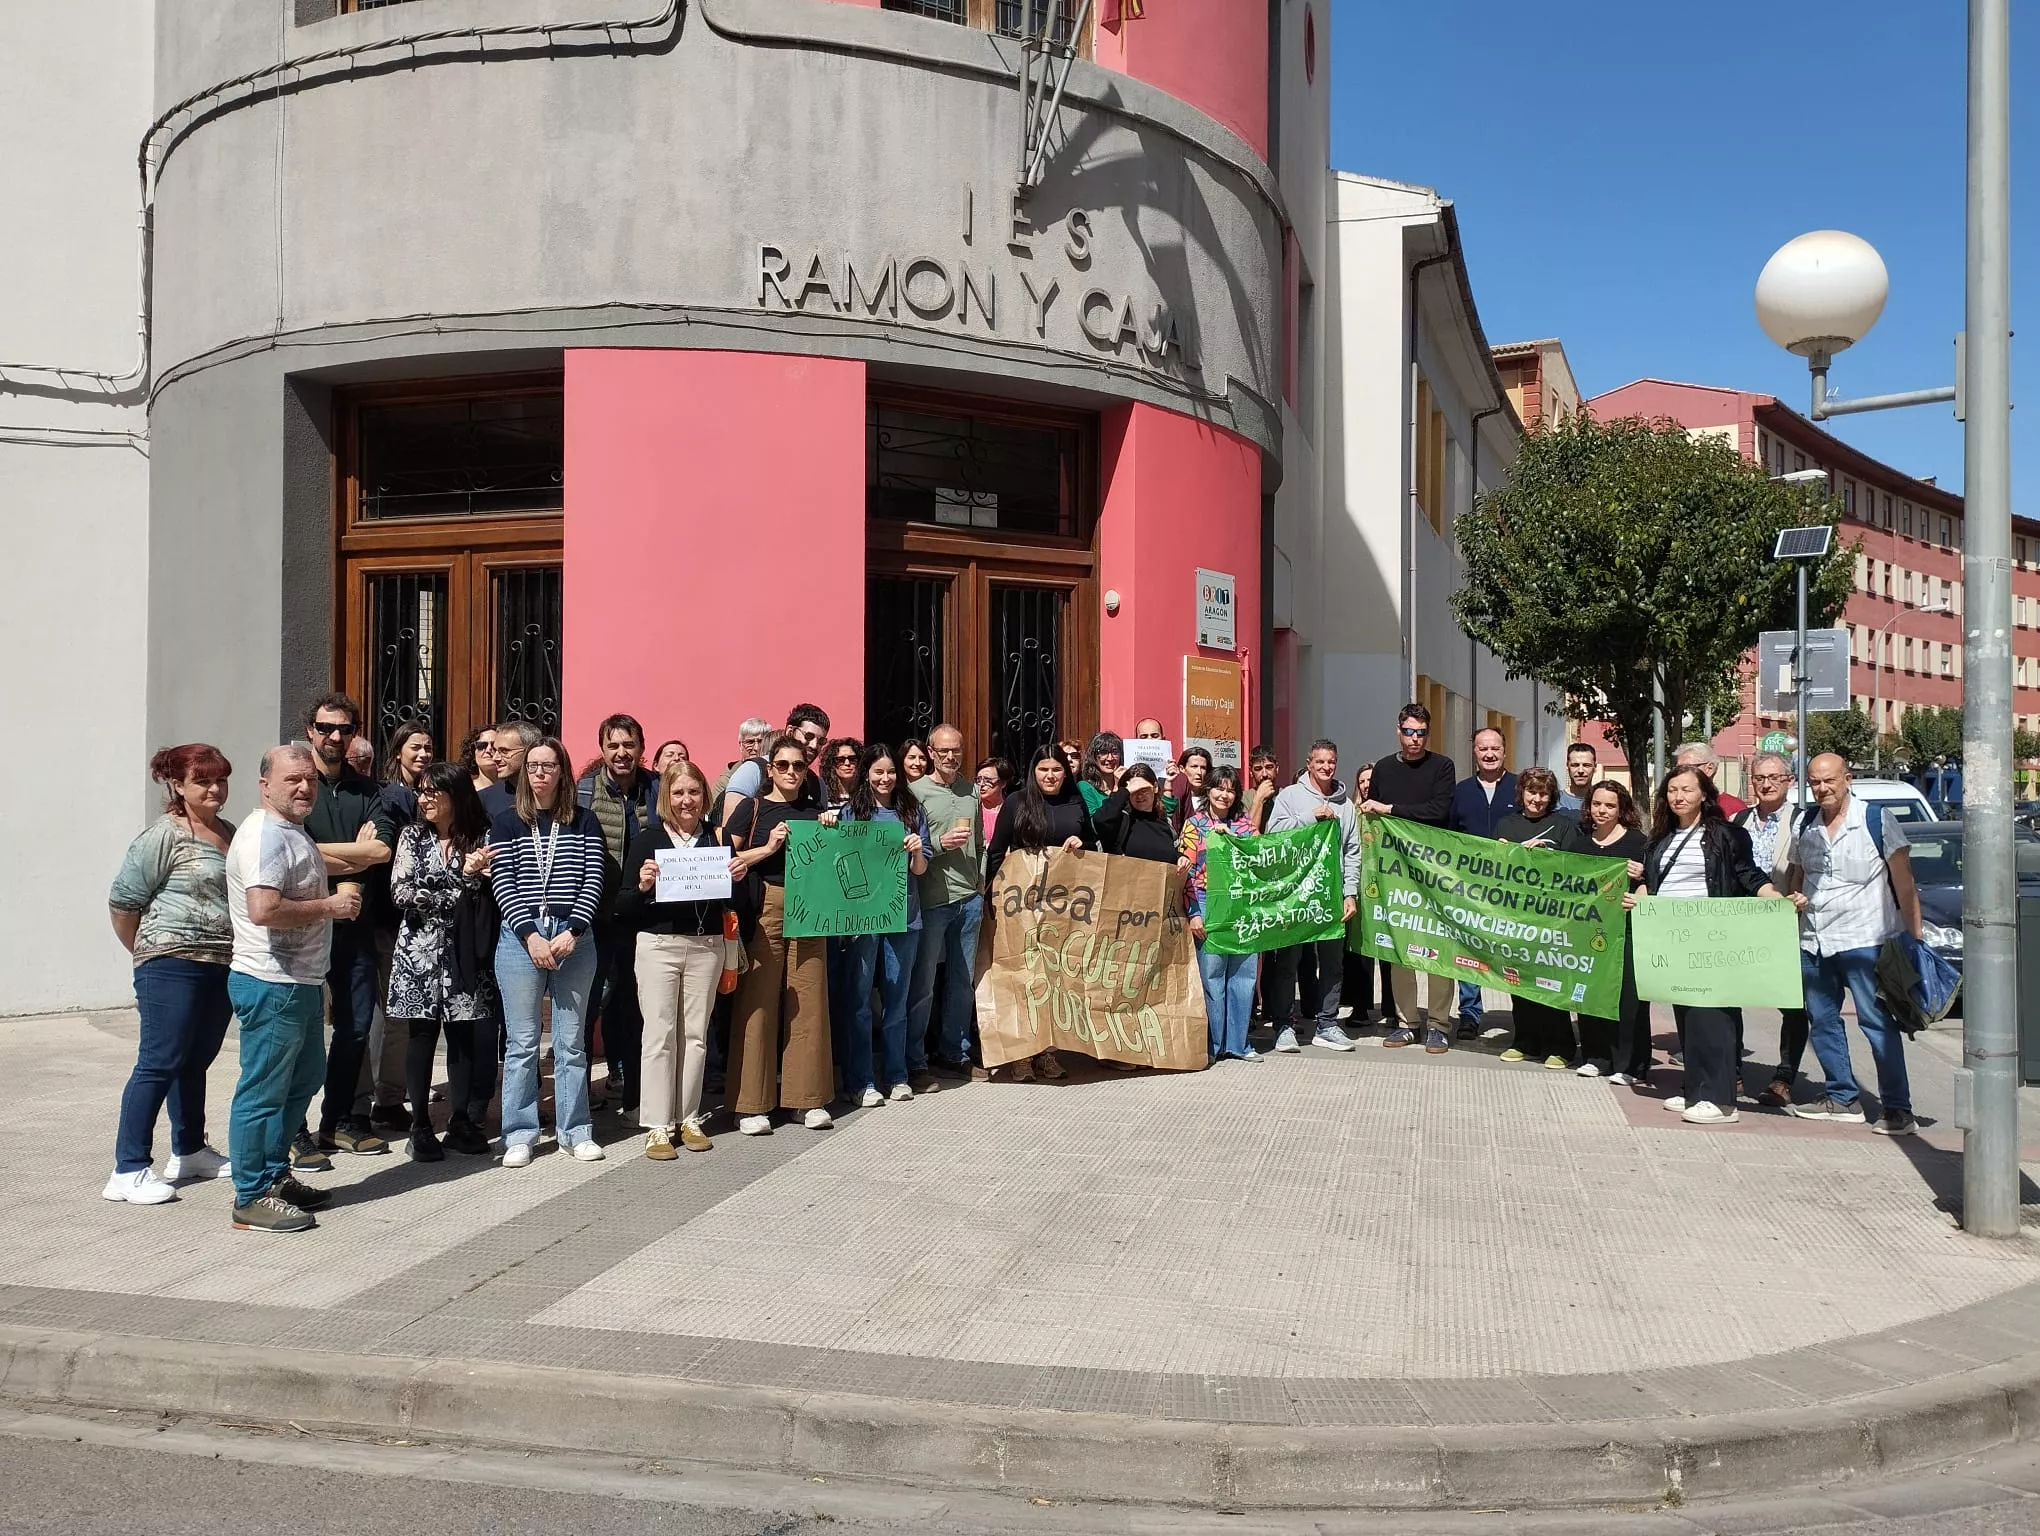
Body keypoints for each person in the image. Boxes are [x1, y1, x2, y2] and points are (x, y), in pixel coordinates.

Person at [224, 745, 356, 1233]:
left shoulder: (290, 830)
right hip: (270, 981)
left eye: (310, 780)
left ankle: (275, 1176)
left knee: (303, 1080)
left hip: (299, 981)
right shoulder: (264, 837)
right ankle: (251, 1195)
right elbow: (263, 910)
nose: (304, 788)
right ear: (265, 785)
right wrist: (330, 907)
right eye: (292, 780)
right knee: (263, 1091)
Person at [103, 745, 238, 1205]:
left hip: (219, 962)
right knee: (159, 1061)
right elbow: (124, 903)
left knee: (195, 1060)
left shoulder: (229, 832)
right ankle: (128, 1168)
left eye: (220, 779)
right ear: (177, 785)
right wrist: (151, 954)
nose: (215, 788)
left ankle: (190, 1150)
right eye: (203, 781)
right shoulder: (163, 836)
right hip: (170, 963)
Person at [1627, 764, 1783, 1126]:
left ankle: (1721, 1100)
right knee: (1687, 1016)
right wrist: (1640, 896)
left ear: (1703, 795)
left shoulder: (1726, 835)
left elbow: (1747, 874)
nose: (1678, 797)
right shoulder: (1661, 838)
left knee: (1713, 1016)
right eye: (1672, 790)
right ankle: (1696, 1089)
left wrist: (1775, 898)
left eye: (1686, 790)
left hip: (1713, 937)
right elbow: (1654, 881)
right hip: (1673, 937)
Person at [1784, 754, 1924, 1135]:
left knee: (1876, 1022)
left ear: (1847, 779)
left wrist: (1916, 940)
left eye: (1829, 780)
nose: (1822, 788)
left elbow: (1905, 884)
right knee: (1822, 1021)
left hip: (1866, 939)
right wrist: (1794, 899)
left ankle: (1898, 1109)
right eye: (1815, 782)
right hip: (1814, 940)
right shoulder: (1804, 824)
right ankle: (1842, 1097)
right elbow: (1797, 875)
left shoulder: (1876, 820)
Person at [490, 736, 608, 1166]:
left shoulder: (584, 820)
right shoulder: (507, 822)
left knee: (571, 1042)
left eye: (549, 766)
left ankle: (575, 1130)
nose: (540, 773)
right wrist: (530, 935)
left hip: (573, 937)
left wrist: (574, 929)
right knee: (522, 1043)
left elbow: (594, 878)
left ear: (562, 772)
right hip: (521, 938)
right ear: (525, 773)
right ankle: (519, 1134)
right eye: (533, 766)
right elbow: (503, 881)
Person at [299, 693, 398, 1167]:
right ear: (310, 731)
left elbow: (381, 851)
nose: (334, 737)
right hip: (302, 926)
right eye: (325, 728)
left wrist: (322, 853)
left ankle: (336, 1122)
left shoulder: (368, 790)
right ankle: (292, 1131)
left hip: (355, 927)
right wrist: (352, 857)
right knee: (300, 1033)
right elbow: (293, 850)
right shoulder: (299, 785)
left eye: (344, 729)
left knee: (355, 1027)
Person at [386, 763, 498, 1161]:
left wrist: (469, 882)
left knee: (463, 1035)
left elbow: (489, 891)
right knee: (421, 1035)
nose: (424, 799)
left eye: (433, 792)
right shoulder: (412, 837)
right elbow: (400, 892)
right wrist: (460, 890)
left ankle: (460, 1120)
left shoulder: (481, 837)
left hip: (465, 951)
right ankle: (420, 1124)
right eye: (421, 791)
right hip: (419, 951)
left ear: (456, 794)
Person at [620, 759, 730, 1158]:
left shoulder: (716, 840)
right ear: (666, 797)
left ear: (704, 796)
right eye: (678, 792)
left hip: (706, 946)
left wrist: (735, 877)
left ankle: (689, 1118)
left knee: (696, 1036)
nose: (687, 800)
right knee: (659, 1035)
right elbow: (623, 905)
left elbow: (733, 901)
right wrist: (642, 885)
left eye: (694, 792)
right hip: (658, 946)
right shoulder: (648, 839)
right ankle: (657, 1126)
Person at [726, 733, 835, 1133]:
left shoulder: (815, 810)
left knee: (809, 998)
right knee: (758, 999)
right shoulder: (752, 808)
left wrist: (830, 829)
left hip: (811, 905)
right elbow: (723, 860)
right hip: (766, 904)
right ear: (770, 769)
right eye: (783, 765)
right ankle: (750, 1104)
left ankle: (807, 1099)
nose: (791, 772)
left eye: (799, 765)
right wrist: (768, 848)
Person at [984, 743, 1098, 1081]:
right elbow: (996, 851)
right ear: (1033, 772)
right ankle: (1020, 1055)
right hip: (1021, 904)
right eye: (1044, 769)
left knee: (1056, 978)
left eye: (1057, 769)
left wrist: (1081, 843)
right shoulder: (1017, 802)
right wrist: (992, 895)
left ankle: (1047, 1053)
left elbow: (1094, 845)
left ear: (1067, 772)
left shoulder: (1075, 801)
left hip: (1065, 907)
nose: (1050, 776)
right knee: (1022, 975)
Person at [833, 744, 930, 1106]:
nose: (885, 778)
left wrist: (916, 850)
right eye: (878, 772)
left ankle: (896, 1075)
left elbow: (920, 870)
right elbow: (837, 858)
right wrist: (828, 824)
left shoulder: (911, 811)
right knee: (858, 1000)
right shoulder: (851, 812)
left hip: (904, 917)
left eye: (890, 772)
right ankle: (860, 1081)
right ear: (867, 775)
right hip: (863, 919)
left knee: (896, 999)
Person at [575, 714, 660, 1113]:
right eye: (613, 745)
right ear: (603, 750)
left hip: (644, 915)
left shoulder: (658, 789)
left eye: (629, 745)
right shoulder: (584, 792)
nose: (622, 752)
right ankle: (578, 1094)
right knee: (587, 1004)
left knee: (635, 1006)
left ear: (641, 748)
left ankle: (632, 1091)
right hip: (596, 916)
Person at [1360, 703, 1457, 1051]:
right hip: (1395, 871)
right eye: (1409, 732)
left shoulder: (1443, 766)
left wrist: (1390, 809)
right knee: (1400, 947)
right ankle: (1406, 1022)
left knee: (1439, 947)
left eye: (1421, 733)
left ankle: (1439, 1024)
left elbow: (1438, 811)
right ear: (1398, 731)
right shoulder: (1384, 769)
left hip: (1435, 872)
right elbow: (1373, 819)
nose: (1415, 739)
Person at [1264, 739, 1363, 1053]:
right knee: (1288, 962)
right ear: (1309, 764)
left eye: (1331, 762)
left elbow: (1352, 852)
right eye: (1320, 762)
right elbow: (1273, 834)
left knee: (1333, 963)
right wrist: (1311, 817)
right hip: (1296, 893)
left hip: (1331, 894)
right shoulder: (1290, 796)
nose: (1326, 767)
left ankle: (1327, 1024)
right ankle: (1283, 1025)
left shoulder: (1346, 805)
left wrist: (1350, 892)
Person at [903, 724, 984, 1090]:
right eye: (944, 751)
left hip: (969, 898)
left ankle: (955, 1053)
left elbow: (980, 842)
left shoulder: (972, 792)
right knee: (923, 983)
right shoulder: (914, 792)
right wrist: (939, 841)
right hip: (932, 899)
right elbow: (908, 844)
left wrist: (981, 882)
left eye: (957, 750)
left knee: (962, 982)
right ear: (931, 752)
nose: (951, 757)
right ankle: (915, 1060)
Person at [1493, 768, 1587, 1069]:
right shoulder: (1506, 824)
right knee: (1518, 981)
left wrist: (1547, 853)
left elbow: (1576, 868)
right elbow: (1493, 870)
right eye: (1532, 792)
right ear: (1521, 793)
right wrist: (1506, 854)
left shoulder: (1563, 825)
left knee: (1551, 983)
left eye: (1543, 793)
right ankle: (1525, 1042)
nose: (1537, 799)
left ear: (1552, 796)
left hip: (1551, 920)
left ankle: (1561, 1046)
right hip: (1516, 917)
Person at [1734, 753, 1809, 1109]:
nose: (1766, 784)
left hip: (1786, 924)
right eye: (1759, 778)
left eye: (1774, 778)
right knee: (1728, 996)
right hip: (1741, 923)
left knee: (1791, 1004)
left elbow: (1808, 868)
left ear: (1789, 781)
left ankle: (1784, 1078)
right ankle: (1732, 1069)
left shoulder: (1802, 820)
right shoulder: (1738, 820)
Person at [1181, 766, 1259, 1064]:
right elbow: (1186, 873)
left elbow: (1259, 863)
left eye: (1230, 790)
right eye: (1219, 788)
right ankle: (1212, 1045)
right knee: (1212, 975)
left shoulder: (1246, 826)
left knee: (1243, 974)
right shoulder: (1194, 825)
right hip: (1206, 900)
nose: (1224, 795)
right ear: (1208, 790)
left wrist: (1232, 839)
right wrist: (1193, 913)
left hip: (1241, 904)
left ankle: (1239, 1044)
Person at [1576, 780, 1651, 1083]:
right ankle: (1596, 1057)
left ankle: (1630, 1065)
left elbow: (1655, 881)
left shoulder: (1639, 843)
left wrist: (1643, 876)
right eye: (1597, 804)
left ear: (1621, 809)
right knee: (1591, 992)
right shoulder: (1580, 843)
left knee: (1629, 999)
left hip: (1628, 931)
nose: (1602, 810)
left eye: (1610, 805)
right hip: (1589, 933)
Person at [1447, 728, 1517, 1041]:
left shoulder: (1520, 788)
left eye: (1495, 748)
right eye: (1483, 748)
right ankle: (1470, 1014)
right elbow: (1448, 836)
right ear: (1474, 752)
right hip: (1470, 887)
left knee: (1513, 951)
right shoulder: (1461, 791)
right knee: (1469, 950)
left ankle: (1524, 1015)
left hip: (1512, 888)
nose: (1489, 754)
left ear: (1504, 751)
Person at [716, 704, 830, 826]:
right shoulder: (753, 770)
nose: (814, 745)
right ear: (790, 732)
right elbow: (729, 831)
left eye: (821, 741)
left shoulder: (818, 784)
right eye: (808, 736)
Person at [1092, 761, 1181, 864]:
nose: (1139, 796)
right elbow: (1100, 819)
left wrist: (1180, 857)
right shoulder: (1122, 822)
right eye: (1134, 791)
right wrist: (1124, 791)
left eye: (1143, 790)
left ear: (1155, 787)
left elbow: (1168, 854)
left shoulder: (1165, 823)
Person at [480, 720, 540, 820]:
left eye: (504, 751)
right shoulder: (484, 800)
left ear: (529, 751)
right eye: (495, 750)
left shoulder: (552, 795)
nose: (495, 758)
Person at [710, 717, 772, 808]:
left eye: (760, 742)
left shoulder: (779, 771)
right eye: (750, 742)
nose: (756, 748)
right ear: (741, 745)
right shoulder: (726, 779)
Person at [1674, 742, 1747, 817]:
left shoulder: (1734, 808)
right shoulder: (1674, 803)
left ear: (1709, 769)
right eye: (1677, 768)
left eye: (1687, 768)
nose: (1680, 773)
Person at [1076, 732, 1124, 814]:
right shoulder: (1085, 787)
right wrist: (1116, 790)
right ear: (1094, 756)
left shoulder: (1126, 787)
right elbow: (1096, 821)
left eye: (1114, 752)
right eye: (1103, 752)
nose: (1110, 758)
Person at [1170, 746, 1213, 834]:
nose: (1199, 772)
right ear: (1182, 769)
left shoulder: (1212, 799)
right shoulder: (1174, 797)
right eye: (1194, 767)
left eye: (1203, 768)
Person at [974, 757, 1010, 846]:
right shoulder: (973, 809)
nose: (981, 784)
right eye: (978, 780)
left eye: (987, 780)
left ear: (1003, 783)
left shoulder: (1012, 811)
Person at [1246, 745, 1281, 833]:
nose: (1264, 774)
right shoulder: (1243, 798)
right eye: (1258, 769)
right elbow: (1248, 833)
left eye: (1269, 767)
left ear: (1277, 768)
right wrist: (1259, 798)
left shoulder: (1286, 795)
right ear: (1251, 772)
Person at [1560, 742, 1599, 813]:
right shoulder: (1555, 801)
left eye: (1586, 765)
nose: (1580, 771)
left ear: (1595, 767)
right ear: (1567, 766)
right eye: (1575, 765)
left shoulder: (1603, 801)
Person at [461, 727, 497, 795]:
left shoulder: (514, 788)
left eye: (494, 745)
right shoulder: (463, 791)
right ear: (473, 752)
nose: (489, 749)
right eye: (481, 745)